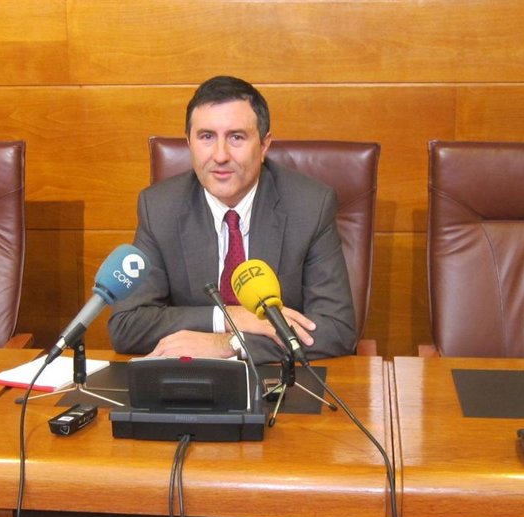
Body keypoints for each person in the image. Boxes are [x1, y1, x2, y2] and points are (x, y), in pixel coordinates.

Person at [108, 75, 356, 363]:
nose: (220, 155)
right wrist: (227, 318)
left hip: (277, 379)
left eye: (236, 137)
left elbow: (336, 328)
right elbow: (127, 325)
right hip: (190, 379)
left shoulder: (310, 206)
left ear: (264, 145)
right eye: (206, 137)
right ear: (189, 143)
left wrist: (231, 344)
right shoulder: (160, 208)